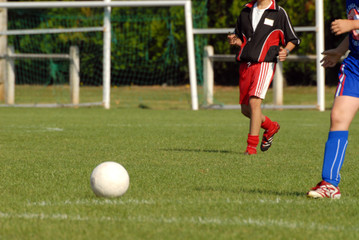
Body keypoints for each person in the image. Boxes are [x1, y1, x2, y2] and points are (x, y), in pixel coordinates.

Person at [228, 0, 300, 155]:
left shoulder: (279, 12)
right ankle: (270, 126)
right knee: (246, 109)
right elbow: (242, 39)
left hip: (265, 64)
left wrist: (285, 51)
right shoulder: (245, 11)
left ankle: (251, 148)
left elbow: (293, 39)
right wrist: (235, 40)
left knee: (254, 103)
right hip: (245, 64)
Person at [307, 0, 359, 199]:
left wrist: (353, 24)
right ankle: (329, 184)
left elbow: (354, 25)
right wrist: (339, 51)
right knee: (338, 117)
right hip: (355, 65)